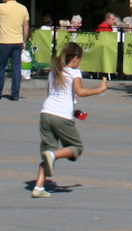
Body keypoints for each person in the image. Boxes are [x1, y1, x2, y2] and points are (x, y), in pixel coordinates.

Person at [31, 41, 109, 197]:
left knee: (47, 150)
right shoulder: (75, 72)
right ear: (76, 58)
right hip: (61, 116)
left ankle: (38, 187)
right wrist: (99, 89)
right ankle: (53, 156)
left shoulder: (54, 71)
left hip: (46, 113)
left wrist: (76, 112)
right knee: (76, 147)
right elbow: (79, 91)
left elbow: (56, 95)